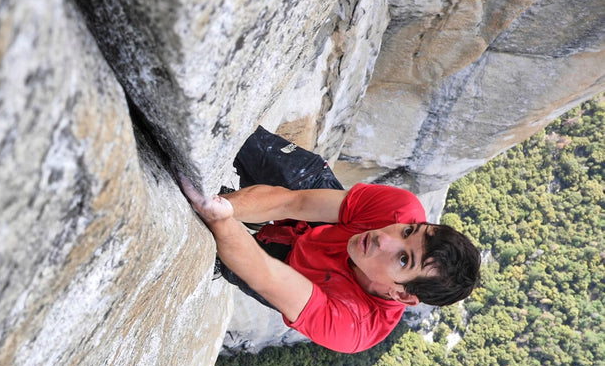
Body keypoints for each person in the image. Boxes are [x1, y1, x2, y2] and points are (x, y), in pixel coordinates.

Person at [179, 128, 481, 353]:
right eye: (407, 232)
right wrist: (226, 206)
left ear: (403, 296)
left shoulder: (354, 326)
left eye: (403, 259)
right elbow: (293, 203)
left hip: (294, 275)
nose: (383, 239)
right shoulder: (400, 211)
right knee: (240, 137)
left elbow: (266, 274)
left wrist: (217, 219)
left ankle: (235, 230)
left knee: (220, 247)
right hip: (322, 222)